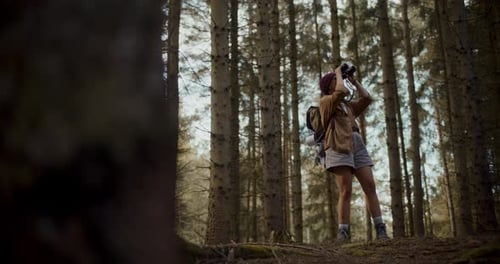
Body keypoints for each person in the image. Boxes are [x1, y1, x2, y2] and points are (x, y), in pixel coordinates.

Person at [319, 64, 389, 242]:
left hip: (356, 142)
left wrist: (354, 80)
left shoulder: (347, 106)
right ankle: (343, 232)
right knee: (346, 190)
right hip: (337, 144)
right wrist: (335, 72)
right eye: (336, 80)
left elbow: (366, 97)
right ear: (329, 86)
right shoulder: (326, 102)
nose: (340, 81)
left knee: (370, 186)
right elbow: (340, 91)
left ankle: (380, 229)